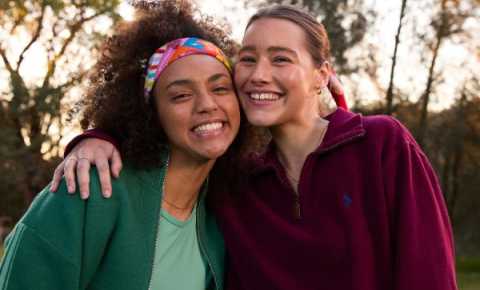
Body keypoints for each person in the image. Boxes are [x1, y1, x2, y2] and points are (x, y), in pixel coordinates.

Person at [50, 4, 458, 290]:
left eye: (281, 59)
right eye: (247, 59)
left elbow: (429, 274)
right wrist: (95, 138)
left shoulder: (381, 144)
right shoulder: (235, 182)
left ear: (321, 75)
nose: (259, 75)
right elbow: (170, 129)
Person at [0, 1, 250, 289]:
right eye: (181, 95)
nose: (207, 105)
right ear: (151, 111)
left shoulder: (223, 209)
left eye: (220, 88)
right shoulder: (89, 187)